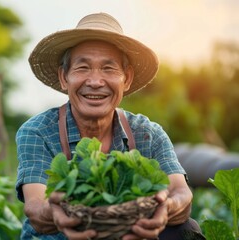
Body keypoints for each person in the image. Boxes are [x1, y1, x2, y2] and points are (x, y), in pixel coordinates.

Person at [16, 12, 203, 240]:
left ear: (127, 78)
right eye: (83, 68)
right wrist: (55, 213)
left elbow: (180, 193)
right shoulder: (37, 131)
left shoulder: (147, 133)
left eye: (109, 69)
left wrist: (167, 208)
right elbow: (35, 205)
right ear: (64, 77)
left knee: (185, 229)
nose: (95, 82)